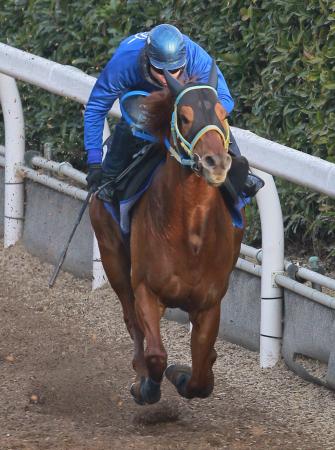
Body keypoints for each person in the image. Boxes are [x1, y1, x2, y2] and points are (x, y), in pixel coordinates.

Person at [84, 23, 264, 201]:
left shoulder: (196, 57)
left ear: (184, 61)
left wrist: (205, 114)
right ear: (147, 59)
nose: (168, 78)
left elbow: (224, 99)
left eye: (175, 70)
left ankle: (242, 176)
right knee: (129, 126)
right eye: (161, 71)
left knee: (213, 120)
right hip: (143, 98)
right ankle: (109, 180)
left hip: (185, 102)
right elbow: (96, 108)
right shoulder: (125, 62)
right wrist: (94, 161)